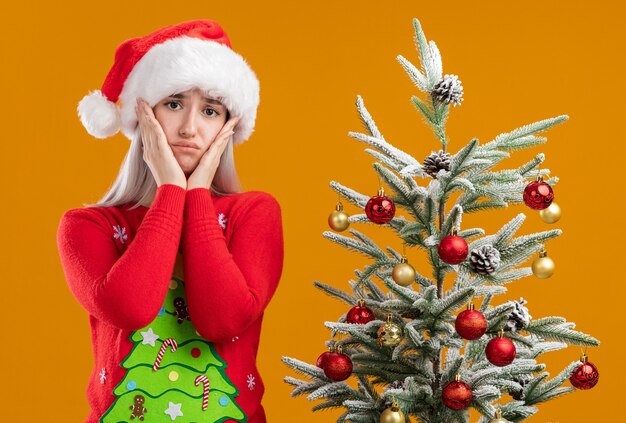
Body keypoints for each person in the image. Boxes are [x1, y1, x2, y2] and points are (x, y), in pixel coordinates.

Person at [56, 20, 284, 423]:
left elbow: (223, 320)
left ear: (228, 129)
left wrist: (196, 196)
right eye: (174, 103)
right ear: (144, 114)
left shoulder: (253, 212)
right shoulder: (88, 225)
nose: (189, 128)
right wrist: (170, 193)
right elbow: (130, 308)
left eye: (210, 111)